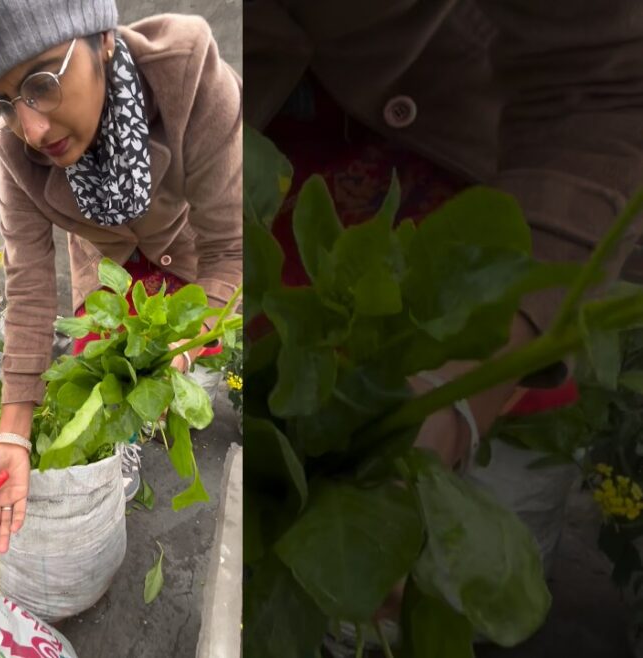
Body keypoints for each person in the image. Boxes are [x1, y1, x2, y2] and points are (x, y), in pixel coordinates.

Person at [247, 0, 643, 650]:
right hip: (246, 231)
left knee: (442, 580)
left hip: (461, 223)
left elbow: (603, 79)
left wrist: (463, 397)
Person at [0, 0, 242, 559]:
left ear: (102, 38)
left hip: (186, 250)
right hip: (107, 263)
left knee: (181, 366)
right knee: (102, 365)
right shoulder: (14, 150)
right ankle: (123, 444)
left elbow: (230, 250)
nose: (33, 128)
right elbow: (26, 290)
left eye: (42, 81)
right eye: (1, 102)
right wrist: (12, 432)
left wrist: (182, 351)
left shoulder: (186, 71)